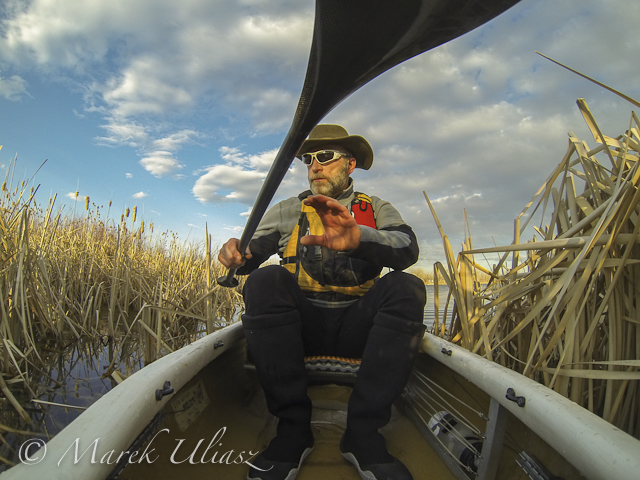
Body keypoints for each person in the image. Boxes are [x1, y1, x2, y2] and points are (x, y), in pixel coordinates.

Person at [218, 124, 426, 480]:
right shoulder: (286, 209)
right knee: (266, 279)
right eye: (308, 158)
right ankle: (293, 430)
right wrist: (239, 253)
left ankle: (362, 435)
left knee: (407, 286)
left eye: (325, 157)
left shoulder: (375, 207)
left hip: (358, 329)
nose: (314, 165)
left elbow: (406, 248)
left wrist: (360, 236)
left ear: (350, 164)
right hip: (302, 330)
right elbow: (253, 253)